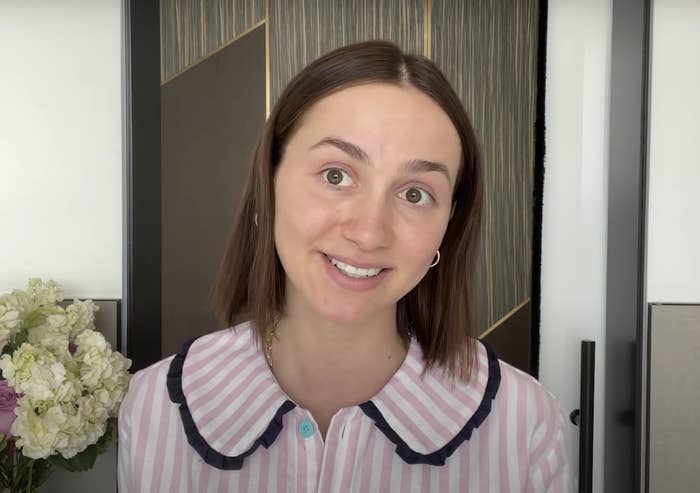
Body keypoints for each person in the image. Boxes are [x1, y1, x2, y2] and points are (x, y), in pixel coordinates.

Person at [117, 40, 572, 492]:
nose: (369, 232)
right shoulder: (154, 407)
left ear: (446, 227)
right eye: (336, 175)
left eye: (415, 194)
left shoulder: (527, 425)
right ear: (267, 186)